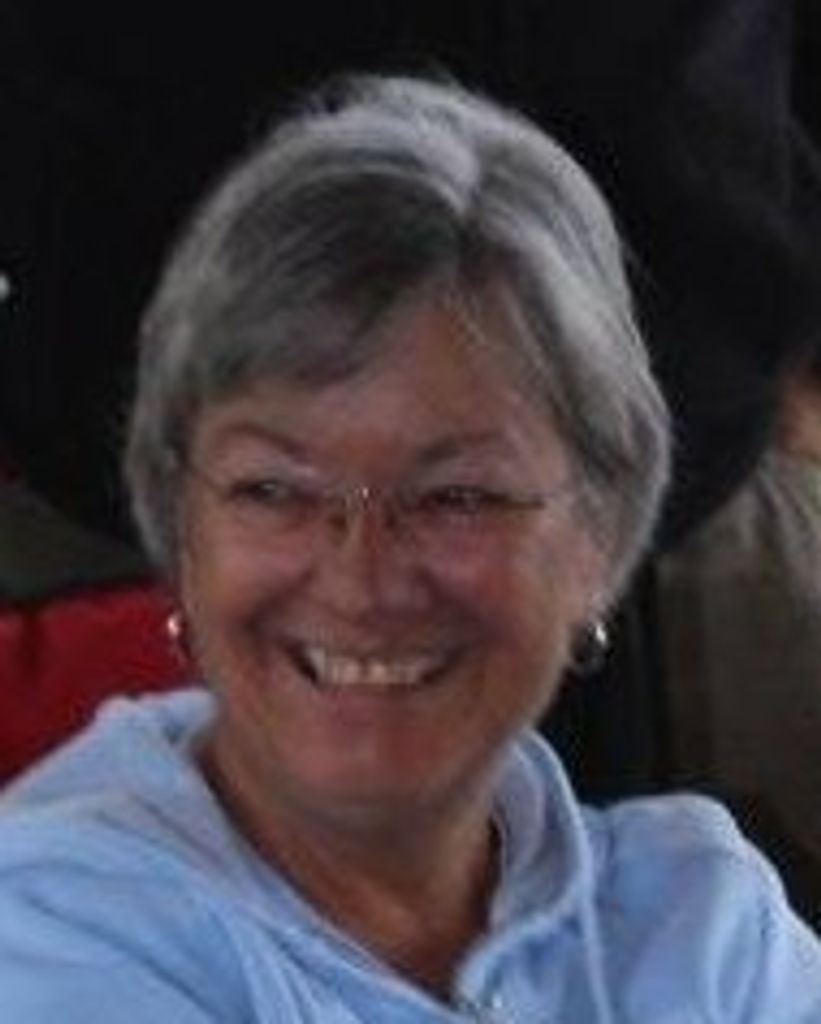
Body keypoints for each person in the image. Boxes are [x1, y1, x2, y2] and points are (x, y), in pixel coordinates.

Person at [0, 75, 818, 1022]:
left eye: (455, 497)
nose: (361, 580)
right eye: (274, 491)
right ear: (181, 527)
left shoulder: (699, 919)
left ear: (600, 537)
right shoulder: (47, 932)